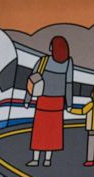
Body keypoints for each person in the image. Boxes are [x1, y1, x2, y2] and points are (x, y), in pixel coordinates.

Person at [24, 36, 74, 167]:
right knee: (53, 133)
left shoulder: (43, 61)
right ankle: (47, 160)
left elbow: (32, 81)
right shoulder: (68, 63)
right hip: (58, 103)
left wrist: (27, 100)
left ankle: (35, 159)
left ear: (53, 47)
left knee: (39, 131)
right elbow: (69, 84)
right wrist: (69, 104)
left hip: (43, 101)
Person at [68, 86, 94, 167]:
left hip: (92, 128)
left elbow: (82, 111)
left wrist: (71, 110)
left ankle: (90, 160)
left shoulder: (91, 104)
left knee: (91, 143)